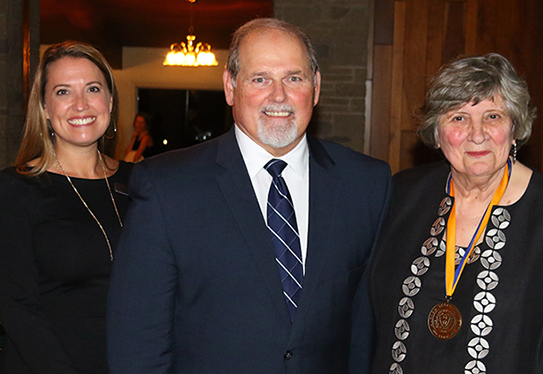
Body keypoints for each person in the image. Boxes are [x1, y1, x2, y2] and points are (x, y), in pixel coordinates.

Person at [107, 18, 391, 374]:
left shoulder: (366, 183)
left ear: (316, 88)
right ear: (230, 86)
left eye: (294, 78)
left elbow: (367, 326)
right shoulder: (167, 186)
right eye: (260, 79)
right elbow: (137, 338)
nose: (278, 96)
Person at [369, 53, 543, 373]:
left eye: (493, 116)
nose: (477, 134)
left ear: (515, 127)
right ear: (436, 133)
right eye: (458, 117)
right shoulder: (403, 195)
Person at [0, 41, 132, 374]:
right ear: (43, 108)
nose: (80, 104)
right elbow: (15, 307)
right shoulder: (15, 189)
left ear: (110, 102)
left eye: (92, 89)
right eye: (62, 92)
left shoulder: (144, 184)